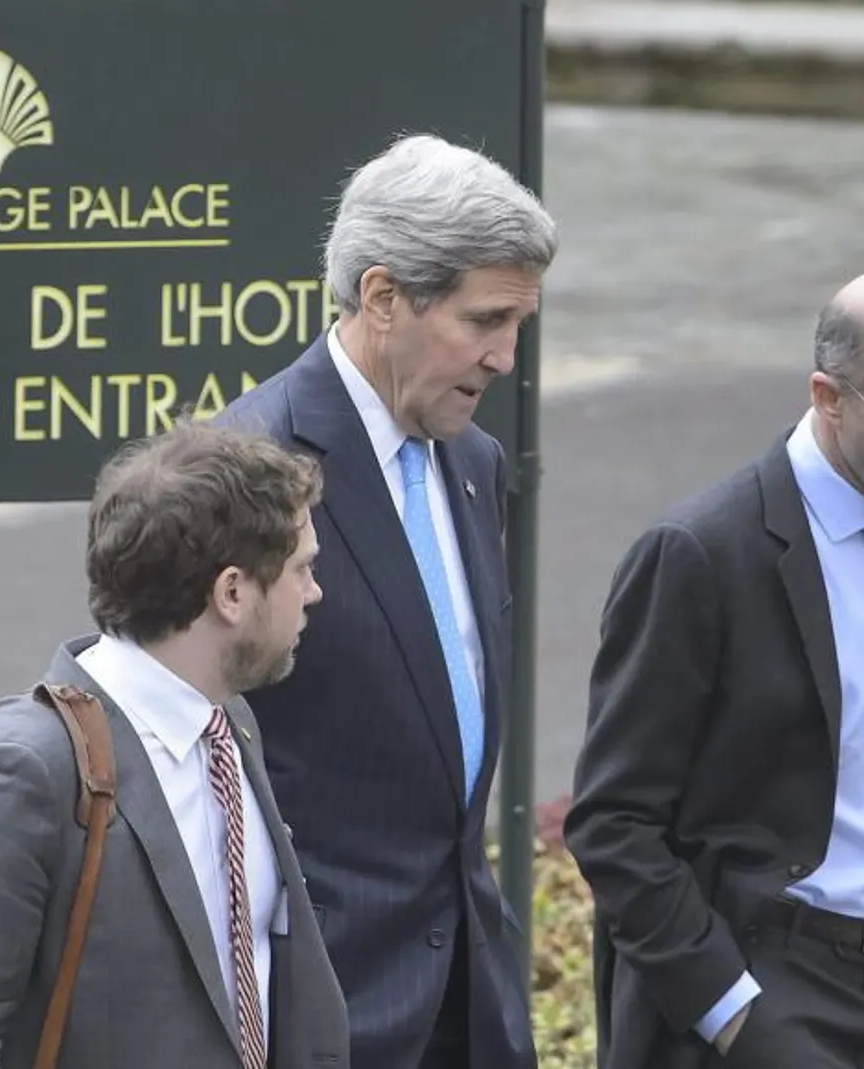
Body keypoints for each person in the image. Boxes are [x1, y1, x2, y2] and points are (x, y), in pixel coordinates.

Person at [563, 265, 864, 1069]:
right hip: (751, 1003)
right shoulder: (700, 555)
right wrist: (731, 1011)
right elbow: (613, 823)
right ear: (828, 398)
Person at [212, 132, 558, 1069]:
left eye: (518, 325)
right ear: (382, 295)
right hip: (323, 1009)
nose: (505, 357)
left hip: (468, 1004)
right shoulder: (248, 466)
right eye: (484, 321)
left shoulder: (475, 464)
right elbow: (188, 755)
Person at [0, 421, 350, 1069]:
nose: (314, 592)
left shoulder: (229, 724)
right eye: (302, 569)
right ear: (233, 592)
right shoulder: (24, 767)